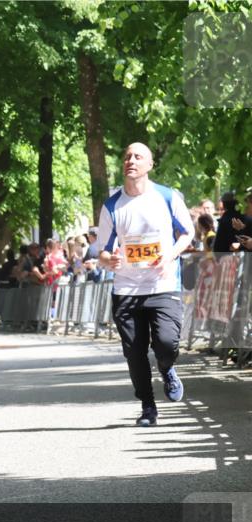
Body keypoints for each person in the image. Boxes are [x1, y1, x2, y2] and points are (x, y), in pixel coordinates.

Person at [97, 142, 194, 427]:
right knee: (135, 352)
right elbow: (101, 250)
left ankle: (166, 368)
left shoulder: (167, 197)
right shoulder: (112, 205)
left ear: (150, 165)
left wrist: (170, 254)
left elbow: (187, 234)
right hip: (126, 289)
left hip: (163, 285)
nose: (131, 160)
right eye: (127, 156)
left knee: (166, 343)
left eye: (138, 156)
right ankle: (148, 406)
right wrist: (108, 260)